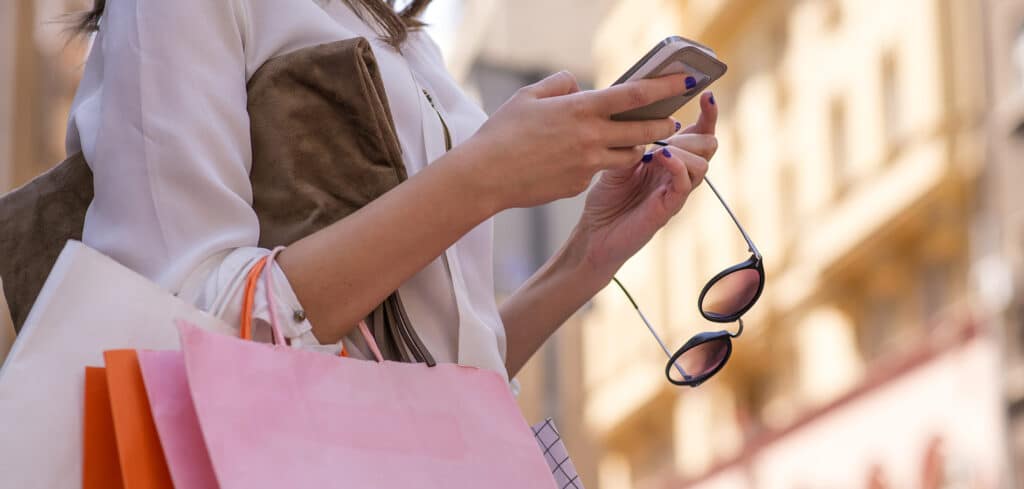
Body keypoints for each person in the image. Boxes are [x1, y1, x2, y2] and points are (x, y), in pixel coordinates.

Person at [66, 0, 718, 383]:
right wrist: (484, 176)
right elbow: (179, 323)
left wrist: (587, 257)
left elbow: (448, 373)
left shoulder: (405, 42)